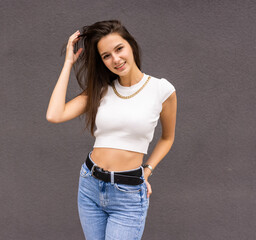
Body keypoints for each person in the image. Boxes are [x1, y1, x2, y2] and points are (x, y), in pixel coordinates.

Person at [46, 20, 177, 240]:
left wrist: (147, 170)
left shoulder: (161, 90)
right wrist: (68, 63)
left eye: (119, 49)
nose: (115, 59)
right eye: (106, 56)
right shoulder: (101, 90)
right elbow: (54, 114)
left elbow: (167, 138)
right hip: (90, 185)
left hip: (127, 195)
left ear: (131, 45)